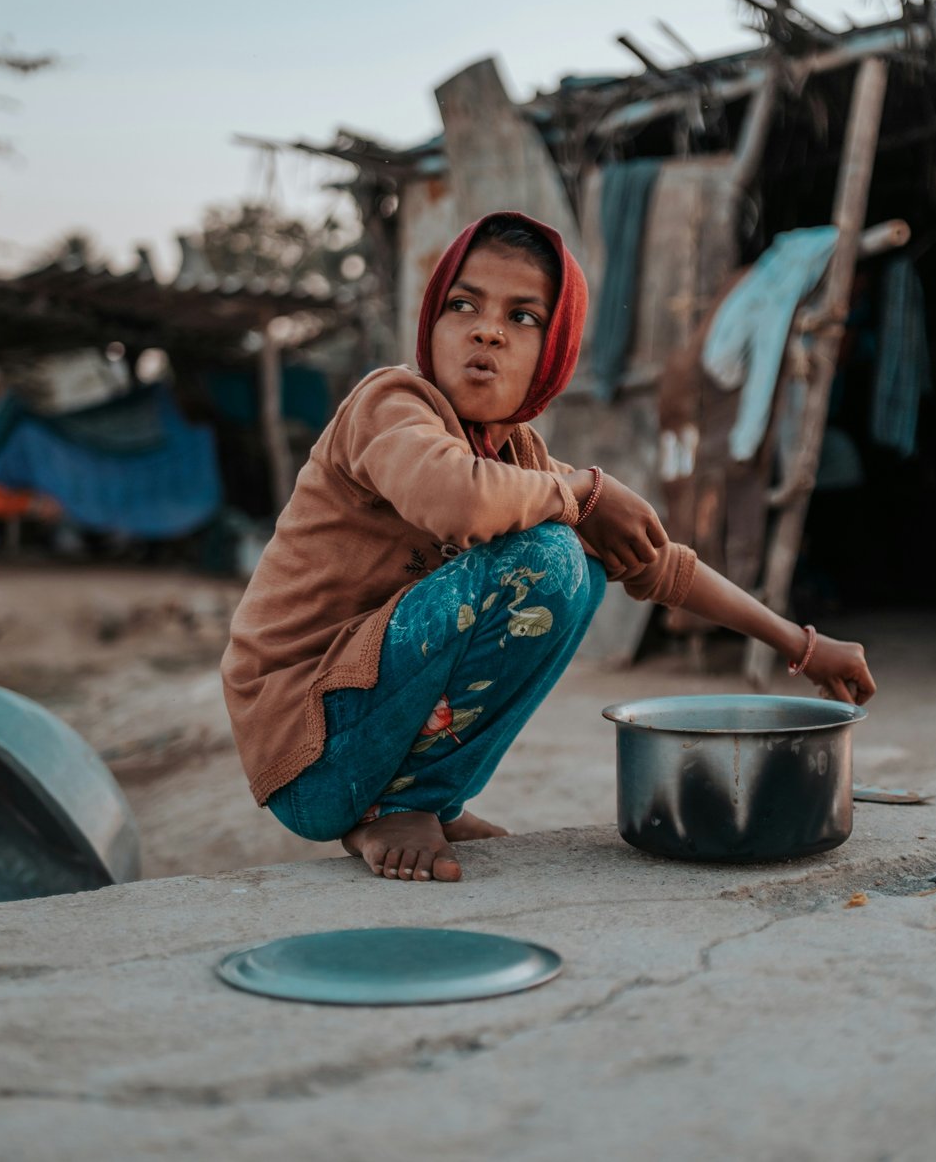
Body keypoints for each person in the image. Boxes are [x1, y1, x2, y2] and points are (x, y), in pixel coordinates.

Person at [221, 211, 876, 882]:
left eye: (523, 317)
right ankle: (400, 806)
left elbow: (660, 565)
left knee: (582, 567)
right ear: (432, 322)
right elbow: (457, 501)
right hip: (306, 748)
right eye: (462, 304)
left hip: (357, 733)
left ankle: (431, 800)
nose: (486, 329)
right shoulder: (390, 404)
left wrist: (801, 643)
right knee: (549, 559)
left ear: (554, 353)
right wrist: (584, 492)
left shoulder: (521, 460)